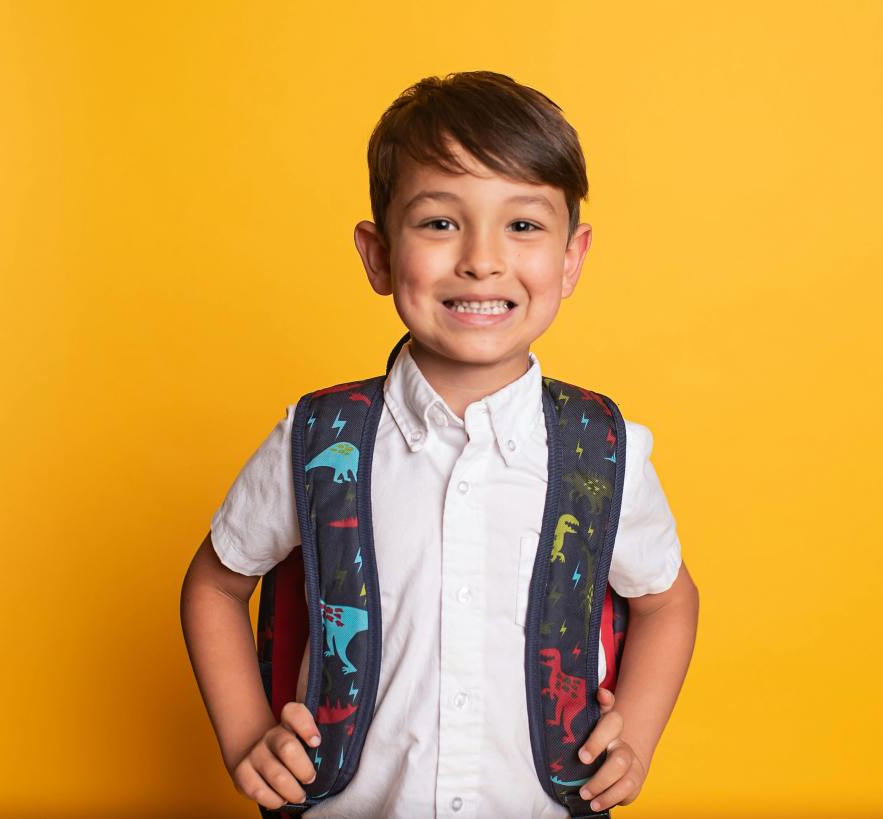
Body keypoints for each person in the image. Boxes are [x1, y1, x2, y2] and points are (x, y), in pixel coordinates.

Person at [180, 70, 699, 818]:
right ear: (379, 255)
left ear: (571, 258)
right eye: (439, 223)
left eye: (523, 226)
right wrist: (243, 736)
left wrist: (637, 738)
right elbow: (215, 585)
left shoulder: (602, 451)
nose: (482, 259)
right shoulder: (318, 438)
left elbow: (668, 600)